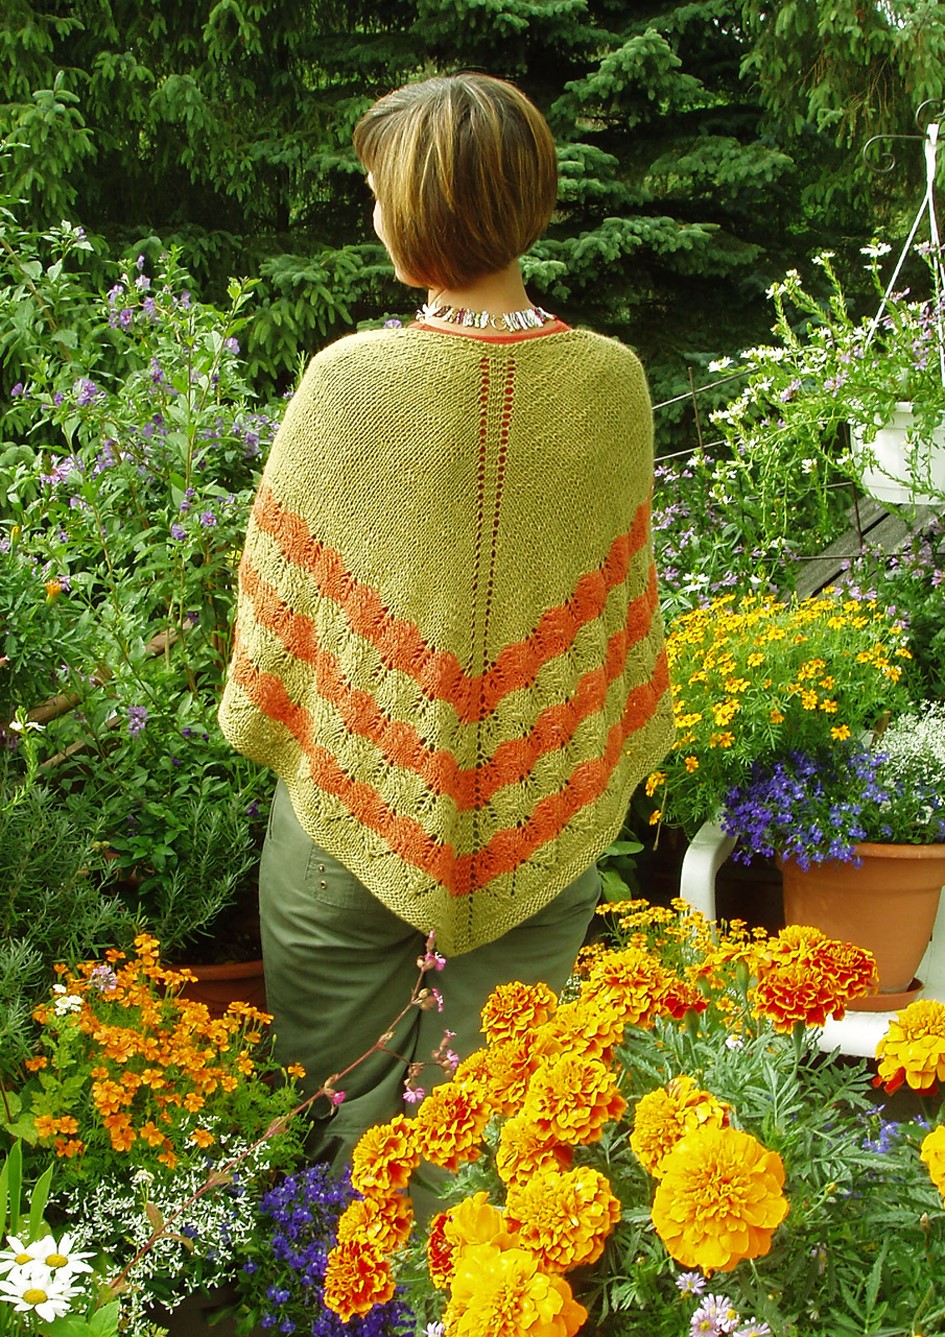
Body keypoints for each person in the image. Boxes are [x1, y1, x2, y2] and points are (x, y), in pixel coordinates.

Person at [218, 72, 674, 1173]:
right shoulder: (612, 382)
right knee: (497, 1141)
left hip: (343, 813)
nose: (373, 214)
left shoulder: (347, 383)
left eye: (379, 192)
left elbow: (281, 603)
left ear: (413, 209)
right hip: (541, 805)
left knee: (338, 1135)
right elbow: (622, 609)